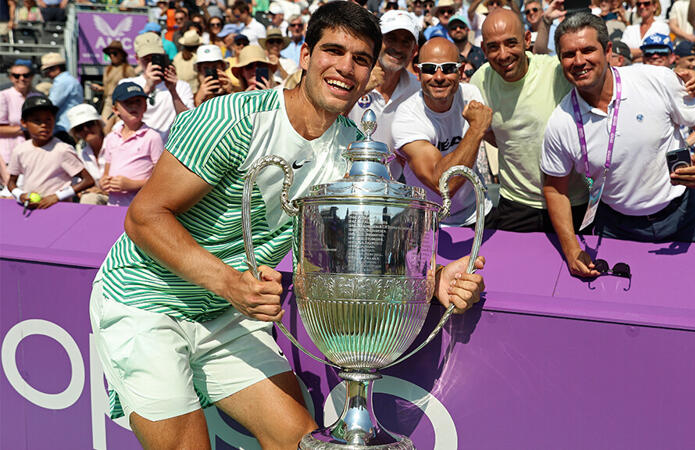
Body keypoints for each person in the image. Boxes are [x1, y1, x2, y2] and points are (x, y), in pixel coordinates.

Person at [89, 3, 484, 448]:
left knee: (301, 441)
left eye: (360, 59)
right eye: (333, 51)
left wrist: (433, 279)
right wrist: (231, 285)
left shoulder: (354, 152)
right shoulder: (232, 119)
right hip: (146, 299)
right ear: (306, 55)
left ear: (372, 73)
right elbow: (144, 217)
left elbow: (371, 252)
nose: (345, 68)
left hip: (226, 314)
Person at [541, 13, 695, 278]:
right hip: (615, 226)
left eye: (588, 50)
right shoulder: (560, 123)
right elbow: (555, 188)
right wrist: (570, 248)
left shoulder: (655, 80)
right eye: (569, 54)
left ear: (608, 50)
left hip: (684, 216)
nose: (579, 61)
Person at [470, 8, 589, 232]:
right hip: (516, 205)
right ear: (484, 49)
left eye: (511, 43)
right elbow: (489, 133)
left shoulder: (556, 72)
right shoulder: (480, 81)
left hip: (571, 201)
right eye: (493, 47)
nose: (503, 54)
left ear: (527, 40)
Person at [392, 37, 494, 227]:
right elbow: (444, 186)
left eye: (448, 68)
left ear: (461, 71)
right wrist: (476, 129)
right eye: (430, 69)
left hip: (478, 213)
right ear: (418, 72)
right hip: (428, 222)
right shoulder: (407, 117)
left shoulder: (471, 95)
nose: (439, 77)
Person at [641, 33, 695, 196]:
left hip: (686, 163)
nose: (655, 56)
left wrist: (687, 142)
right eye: (650, 53)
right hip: (650, 167)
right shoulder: (635, 84)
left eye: (661, 53)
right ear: (643, 57)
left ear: (672, 57)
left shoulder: (686, 83)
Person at [348, 9, 421, 179]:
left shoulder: (417, 91)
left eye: (406, 42)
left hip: (393, 190)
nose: (397, 47)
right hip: (346, 184)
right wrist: (361, 89)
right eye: (391, 39)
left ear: (414, 51)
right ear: (376, 41)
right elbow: (328, 122)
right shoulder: (351, 76)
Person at [7, 96, 94, 209]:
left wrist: (57, 197)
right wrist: (20, 195)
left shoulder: (62, 150)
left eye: (48, 119)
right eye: (37, 121)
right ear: (24, 123)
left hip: (60, 210)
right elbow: (11, 182)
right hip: (31, 210)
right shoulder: (20, 150)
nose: (44, 125)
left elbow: (88, 180)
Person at [117, 32, 194, 144]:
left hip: (168, 151)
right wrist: (147, 88)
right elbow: (125, 117)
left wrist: (173, 91)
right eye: (146, 59)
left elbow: (189, 122)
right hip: (137, 149)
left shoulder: (181, 86)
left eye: (155, 57)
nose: (151, 63)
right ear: (137, 59)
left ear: (163, 55)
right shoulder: (127, 85)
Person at [100, 83, 164, 206]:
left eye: (138, 102)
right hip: (113, 205)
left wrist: (132, 185)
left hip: (140, 207)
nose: (134, 105)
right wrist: (104, 183)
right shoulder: (111, 138)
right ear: (115, 109)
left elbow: (160, 180)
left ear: (145, 107)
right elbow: (106, 174)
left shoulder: (152, 137)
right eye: (128, 102)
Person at [0, 60, 37, 186]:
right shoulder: (3, 96)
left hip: (33, 154)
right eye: (16, 75)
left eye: (25, 75)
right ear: (11, 78)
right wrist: (26, 128)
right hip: (8, 154)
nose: (21, 78)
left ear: (31, 77)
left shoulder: (37, 96)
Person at [67, 104, 108, 205]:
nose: (85, 129)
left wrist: (102, 192)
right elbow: (78, 184)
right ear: (76, 133)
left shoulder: (118, 145)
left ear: (98, 124)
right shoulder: (81, 155)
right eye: (79, 128)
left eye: (89, 124)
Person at [41, 52, 83, 146]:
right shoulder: (70, 80)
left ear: (57, 69)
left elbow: (51, 105)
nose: (47, 74)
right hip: (70, 127)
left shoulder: (62, 82)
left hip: (64, 129)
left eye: (48, 71)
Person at [97, 41, 137, 121]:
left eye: (114, 53)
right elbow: (108, 88)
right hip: (108, 101)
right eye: (109, 54)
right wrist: (101, 88)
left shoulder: (128, 69)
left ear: (121, 55)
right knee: (104, 124)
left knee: (119, 125)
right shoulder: (107, 69)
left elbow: (134, 88)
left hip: (122, 102)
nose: (112, 56)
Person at [448, 14, 485, 80]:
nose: (458, 29)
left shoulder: (481, 53)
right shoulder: (448, 56)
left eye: (461, 26)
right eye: (453, 28)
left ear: (468, 29)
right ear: (448, 33)